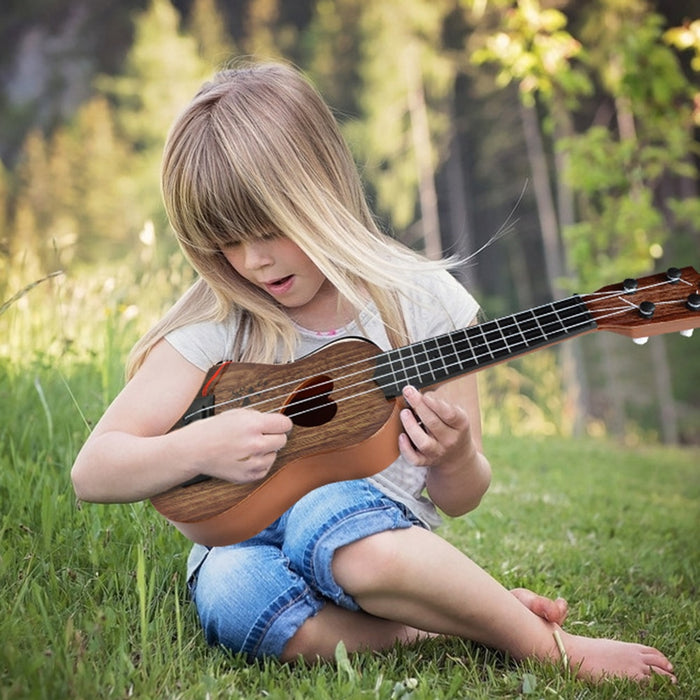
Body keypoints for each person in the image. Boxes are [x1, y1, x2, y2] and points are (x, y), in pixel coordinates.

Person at [71, 61, 675, 684]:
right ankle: (444, 620)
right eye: (227, 242)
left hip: (375, 539)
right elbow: (94, 470)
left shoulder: (422, 303)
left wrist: (455, 456)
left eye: (271, 229)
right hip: (241, 538)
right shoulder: (221, 321)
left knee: (326, 514)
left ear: (321, 190)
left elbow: (461, 498)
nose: (253, 261)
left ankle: (549, 646)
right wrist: (199, 445)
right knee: (229, 596)